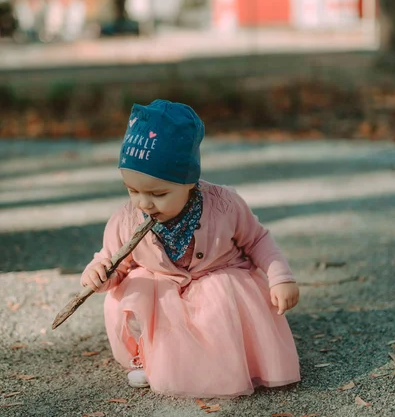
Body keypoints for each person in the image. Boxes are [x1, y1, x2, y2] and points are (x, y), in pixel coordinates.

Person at [81, 99, 300, 398]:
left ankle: (227, 359)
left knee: (221, 304)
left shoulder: (224, 206)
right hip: (163, 292)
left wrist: (280, 277)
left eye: (158, 193)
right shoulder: (126, 219)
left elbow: (258, 239)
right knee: (134, 291)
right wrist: (100, 274)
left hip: (215, 278)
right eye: (133, 191)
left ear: (189, 181)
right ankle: (147, 355)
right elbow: (114, 263)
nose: (144, 203)